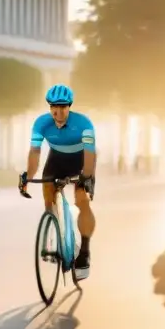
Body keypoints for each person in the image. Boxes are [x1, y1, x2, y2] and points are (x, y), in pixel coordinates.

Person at [18, 84, 97, 277]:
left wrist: (86, 176)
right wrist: (28, 176)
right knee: (48, 198)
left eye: (63, 106)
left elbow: (90, 154)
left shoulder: (83, 123)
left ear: (69, 106)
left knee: (82, 201)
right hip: (56, 161)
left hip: (81, 162)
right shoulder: (41, 124)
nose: (58, 111)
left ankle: (84, 251)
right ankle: (55, 237)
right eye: (54, 106)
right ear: (49, 106)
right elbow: (35, 153)